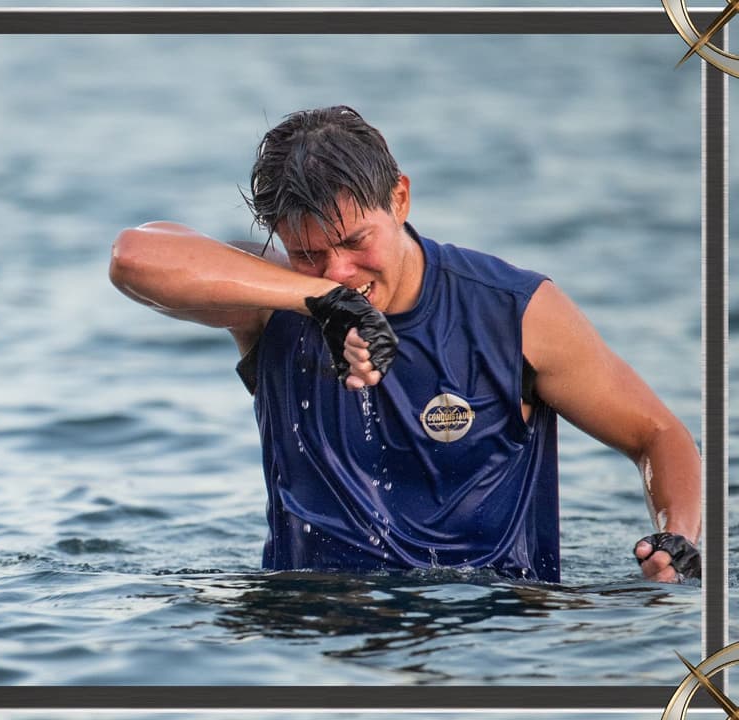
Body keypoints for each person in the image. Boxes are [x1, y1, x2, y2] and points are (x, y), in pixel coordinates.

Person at [108, 106, 701, 583]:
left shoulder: (513, 311)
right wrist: (317, 302)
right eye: (308, 252)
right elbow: (133, 257)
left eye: (355, 241)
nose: (337, 271)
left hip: (491, 628)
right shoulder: (272, 303)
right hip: (308, 634)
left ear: (399, 199)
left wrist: (678, 538)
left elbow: (657, 434)